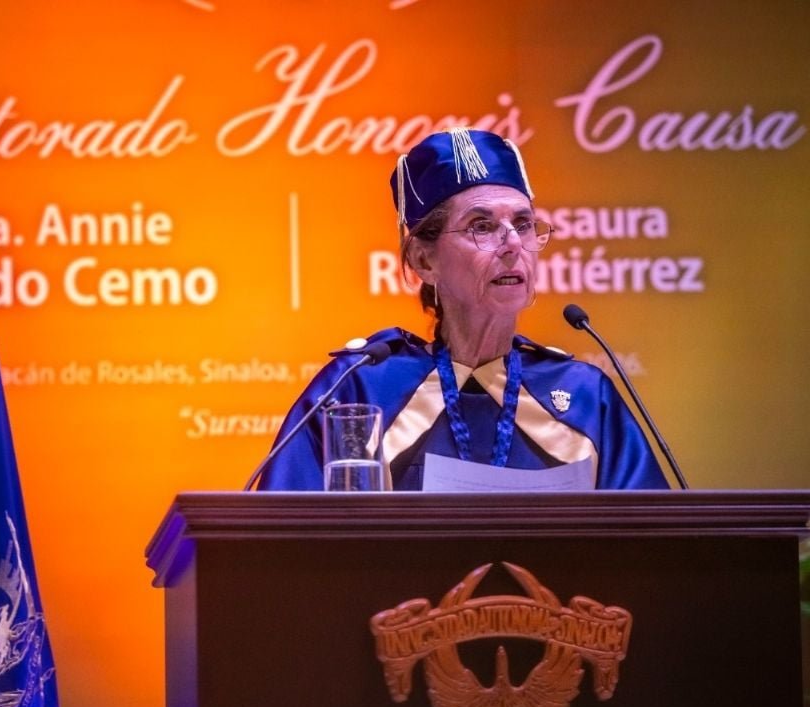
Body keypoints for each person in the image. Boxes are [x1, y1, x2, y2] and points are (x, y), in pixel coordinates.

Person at [259, 128, 668, 491]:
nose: (513, 244)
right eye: (482, 226)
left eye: (523, 224)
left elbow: (653, 552)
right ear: (423, 262)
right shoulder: (360, 390)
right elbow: (281, 547)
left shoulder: (584, 396)